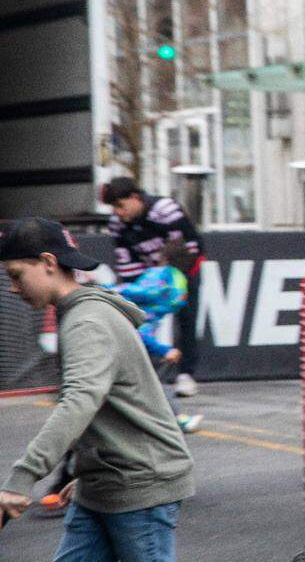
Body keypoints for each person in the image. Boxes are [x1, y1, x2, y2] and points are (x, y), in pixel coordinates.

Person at [0, 217, 194, 560]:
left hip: (139, 487)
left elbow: (79, 401)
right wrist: (91, 470)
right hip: (102, 485)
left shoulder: (87, 320)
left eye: (16, 275)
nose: (13, 288)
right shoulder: (78, 312)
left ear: (47, 263)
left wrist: (21, 479)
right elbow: (102, 402)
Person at [102, 176, 205, 398]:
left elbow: (190, 246)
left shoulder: (165, 209)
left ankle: (186, 374)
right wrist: (140, 288)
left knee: (187, 318)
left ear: (135, 197)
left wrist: (171, 278)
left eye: (121, 205)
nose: (118, 212)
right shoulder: (116, 223)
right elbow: (126, 260)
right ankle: (139, 375)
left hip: (180, 273)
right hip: (149, 277)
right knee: (138, 319)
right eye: (113, 207)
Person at [110, 238, 205, 435]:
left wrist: (109, 289)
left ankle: (172, 419)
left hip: (122, 335)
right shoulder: (174, 288)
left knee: (148, 381)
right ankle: (174, 419)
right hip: (130, 335)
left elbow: (141, 298)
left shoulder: (157, 281)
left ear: (164, 258)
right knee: (149, 381)